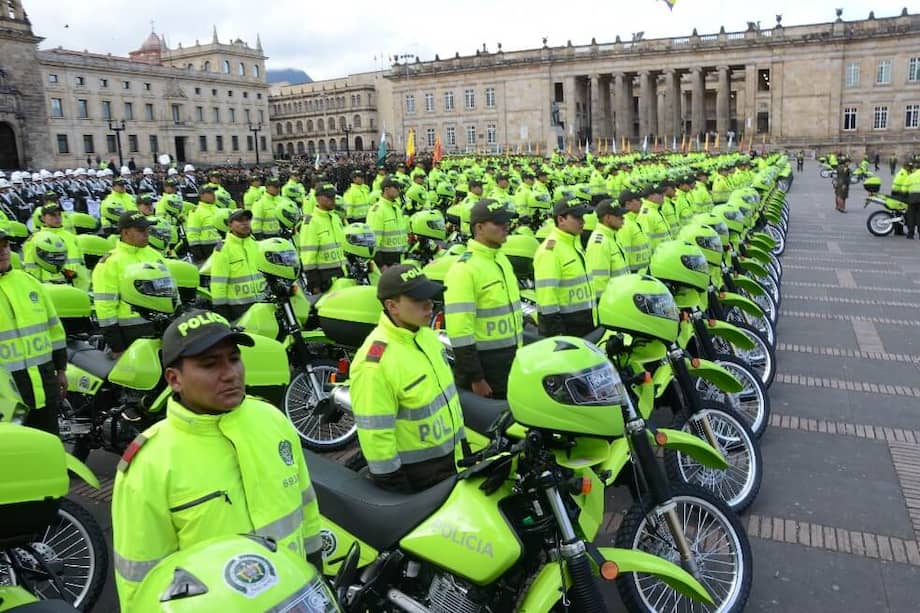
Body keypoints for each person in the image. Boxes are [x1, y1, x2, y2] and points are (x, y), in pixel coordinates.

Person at [111, 309, 322, 611]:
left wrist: (316, 573)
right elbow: (140, 581)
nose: (230, 373)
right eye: (210, 364)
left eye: (234, 359)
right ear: (174, 379)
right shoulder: (150, 463)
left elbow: (307, 509)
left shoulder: (273, 421)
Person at [349, 265, 466, 493]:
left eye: (429, 297)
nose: (429, 304)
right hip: (419, 477)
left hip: (453, 460)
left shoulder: (425, 337)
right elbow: (376, 438)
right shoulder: (374, 364)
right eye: (418, 299)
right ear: (392, 306)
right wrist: (399, 492)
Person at [443, 199, 522, 399]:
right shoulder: (464, 269)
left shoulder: (501, 259)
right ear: (479, 227)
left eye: (506, 222)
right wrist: (476, 378)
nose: (506, 227)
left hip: (511, 359)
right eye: (498, 223)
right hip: (486, 369)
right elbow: (460, 332)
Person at [0, 225, 67, 436]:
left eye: (5, 245)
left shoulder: (28, 282)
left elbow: (54, 329)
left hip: (43, 383)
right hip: (6, 394)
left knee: (50, 444)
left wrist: (61, 370)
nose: (3, 251)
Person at [91, 211, 167, 356]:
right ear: (125, 233)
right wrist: (117, 346)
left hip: (161, 328)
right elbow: (105, 308)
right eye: (140, 230)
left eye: (147, 230)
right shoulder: (110, 263)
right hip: (131, 332)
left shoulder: (155, 255)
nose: (146, 234)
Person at [533, 198, 596, 338]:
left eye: (583, 217)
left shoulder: (574, 243)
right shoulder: (550, 251)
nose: (583, 221)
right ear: (561, 220)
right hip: (568, 330)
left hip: (585, 325)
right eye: (577, 217)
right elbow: (547, 300)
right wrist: (558, 335)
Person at [210, 209, 266, 321]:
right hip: (239, 308)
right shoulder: (223, 249)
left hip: (263, 303)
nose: (245, 223)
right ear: (230, 225)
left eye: (247, 219)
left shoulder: (257, 244)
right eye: (240, 220)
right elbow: (218, 283)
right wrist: (221, 310)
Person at [299, 183, 347, 293]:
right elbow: (308, 256)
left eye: (334, 197)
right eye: (329, 197)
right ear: (318, 198)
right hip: (325, 277)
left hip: (342, 272)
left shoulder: (335, 217)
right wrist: (314, 284)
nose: (333, 200)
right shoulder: (311, 222)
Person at [585, 199, 629, 297]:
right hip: (612, 302)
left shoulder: (613, 236)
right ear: (607, 218)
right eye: (619, 216)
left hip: (621, 297)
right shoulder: (599, 243)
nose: (623, 218)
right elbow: (598, 282)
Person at [366, 175, 407, 270]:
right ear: (386, 189)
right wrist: (382, 266)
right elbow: (373, 242)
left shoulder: (396, 208)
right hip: (386, 261)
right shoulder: (377, 210)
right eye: (396, 187)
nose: (399, 190)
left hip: (399, 259)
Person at [186, 185, 223, 263]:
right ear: (201, 196)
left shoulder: (217, 209)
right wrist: (197, 252)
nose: (213, 195)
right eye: (209, 193)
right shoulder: (196, 211)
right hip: (207, 248)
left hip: (221, 245)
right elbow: (192, 233)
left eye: (213, 192)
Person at [906, 160, 920, 240]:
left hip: (912, 198)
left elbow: (904, 188)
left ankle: (910, 234)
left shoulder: (911, 176)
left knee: (911, 215)